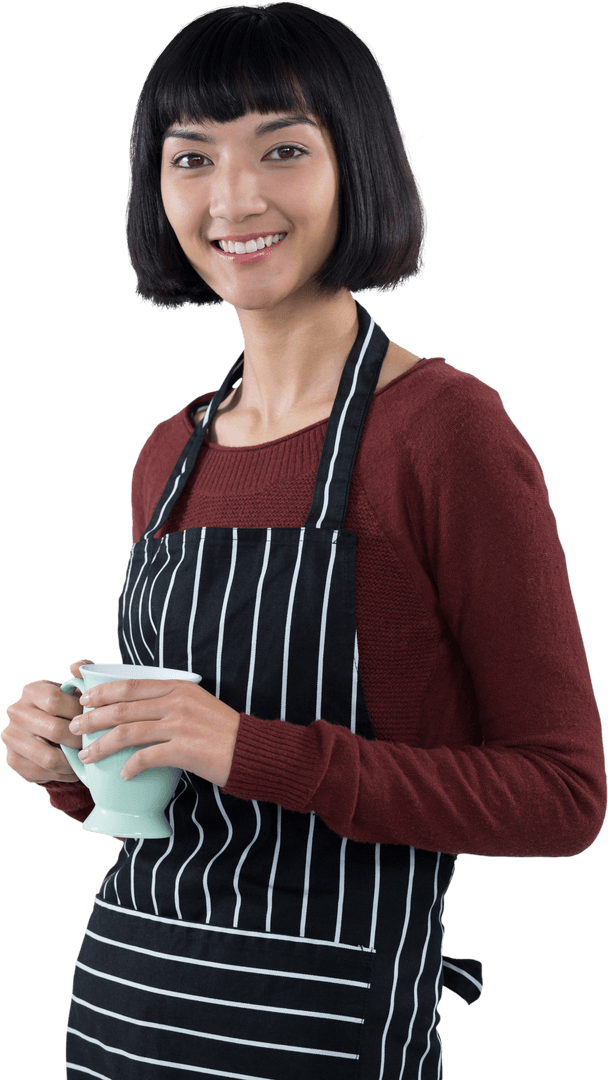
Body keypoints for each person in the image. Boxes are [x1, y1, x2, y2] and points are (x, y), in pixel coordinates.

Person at [3, 3, 606, 1078]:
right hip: (126, 1000)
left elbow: (560, 797)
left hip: (313, 1021)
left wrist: (244, 747)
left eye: (282, 148)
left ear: (355, 164)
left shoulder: (444, 429)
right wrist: (73, 757)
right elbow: (170, 784)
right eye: (191, 158)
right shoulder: (168, 450)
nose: (234, 197)